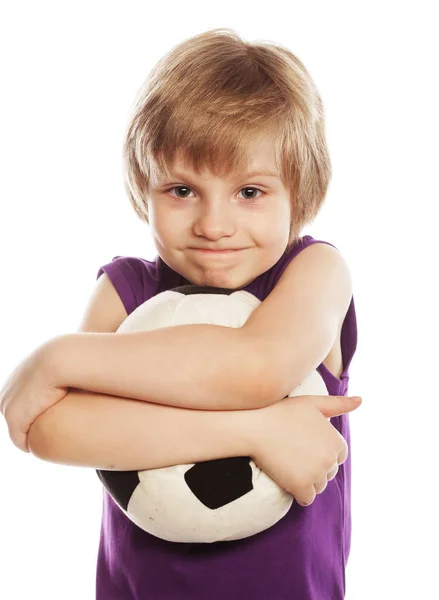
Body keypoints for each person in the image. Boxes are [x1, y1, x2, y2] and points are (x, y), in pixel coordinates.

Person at [32, 27, 359, 599]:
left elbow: (256, 367)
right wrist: (258, 431)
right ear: (144, 189)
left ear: (300, 194)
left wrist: (58, 359)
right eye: (181, 191)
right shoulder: (127, 290)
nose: (213, 225)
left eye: (249, 192)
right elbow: (55, 429)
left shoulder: (313, 274)